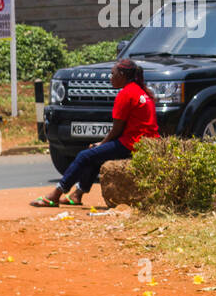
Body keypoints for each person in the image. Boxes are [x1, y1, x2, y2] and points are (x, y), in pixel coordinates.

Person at [31, 58, 159, 207]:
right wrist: (100, 146)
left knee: (85, 155)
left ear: (122, 75)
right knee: (95, 155)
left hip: (133, 144)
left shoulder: (125, 94)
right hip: (146, 143)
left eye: (113, 74)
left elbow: (116, 130)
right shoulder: (140, 91)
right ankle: (77, 194)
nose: (111, 78)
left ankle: (56, 194)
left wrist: (101, 144)